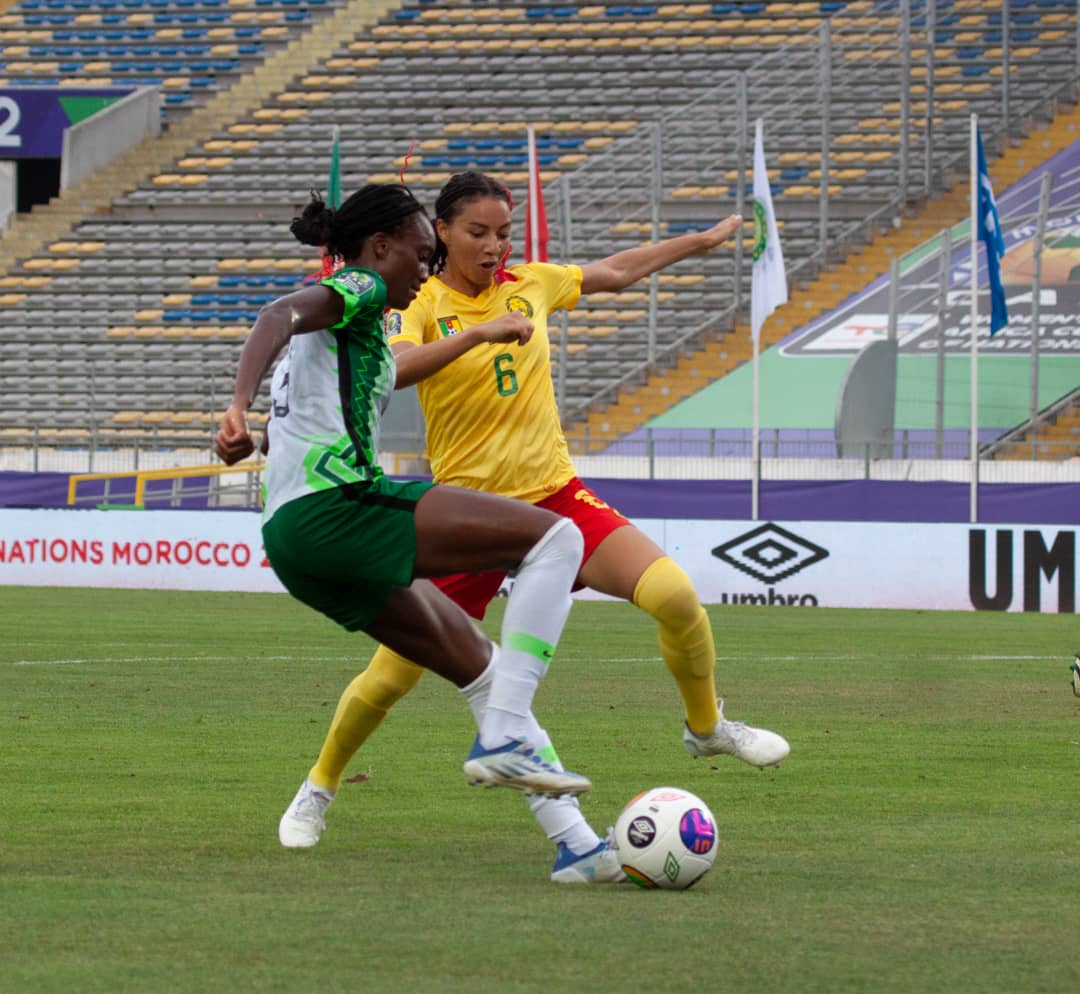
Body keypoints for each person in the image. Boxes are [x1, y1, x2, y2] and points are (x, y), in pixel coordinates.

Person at [281, 171, 790, 884]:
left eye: (503, 232)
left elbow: (617, 271)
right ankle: (319, 787)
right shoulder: (417, 302)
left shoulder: (534, 283)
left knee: (675, 596)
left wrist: (699, 242)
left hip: (554, 496)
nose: (494, 246)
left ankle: (706, 729)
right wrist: (477, 335)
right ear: (442, 233)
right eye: (477, 233)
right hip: (470, 514)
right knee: (392, 675)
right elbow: (390, 368)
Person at [214, 183, 598, 843]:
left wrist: (252, 432)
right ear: (380, 246)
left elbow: (297, 426)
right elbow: (277, 314)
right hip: (338, 510)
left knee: (481, 666)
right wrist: (236, 405)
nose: (426, 270)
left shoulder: (346, 342)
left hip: (298, 543)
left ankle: (581, 849)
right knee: (557, 539)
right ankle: (505, 736)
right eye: (420, 255)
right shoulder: (359, 287)